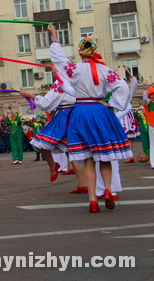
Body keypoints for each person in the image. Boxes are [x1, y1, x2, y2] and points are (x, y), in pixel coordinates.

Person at [47, 24, 132, 213]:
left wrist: (54, 36)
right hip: (100, 112)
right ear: (95, 50)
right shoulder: (105, 71)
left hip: (81, 111)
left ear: (80, 52)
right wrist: (113, 105)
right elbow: (123, 87)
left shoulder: (74, 69)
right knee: (105, 156)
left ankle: (93, 199)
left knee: (88, 158)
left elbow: (59, 59)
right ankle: (108, 190)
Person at [20, 70, 76, 183]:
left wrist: (30, 95)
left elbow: (46, 103)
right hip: (78, 114)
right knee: (73, 148)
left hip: (64, 116)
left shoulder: (61, 82)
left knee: (40, 142)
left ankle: (52, 165)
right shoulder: (79, 78)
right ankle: (82, 183)